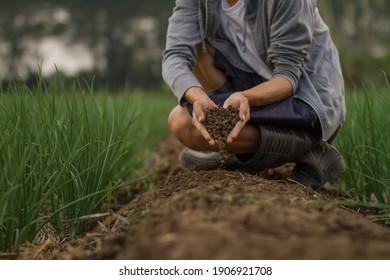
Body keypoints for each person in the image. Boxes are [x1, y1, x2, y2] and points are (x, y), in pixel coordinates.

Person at [162, 0, 346, 190]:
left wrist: (246, 97)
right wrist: (197, 96)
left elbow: (288, 77)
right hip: (252, 83)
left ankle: (310, 146)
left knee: (182, 122)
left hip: (305, 97)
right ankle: (236, 144)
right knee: (197, 53)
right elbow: (175, 55)